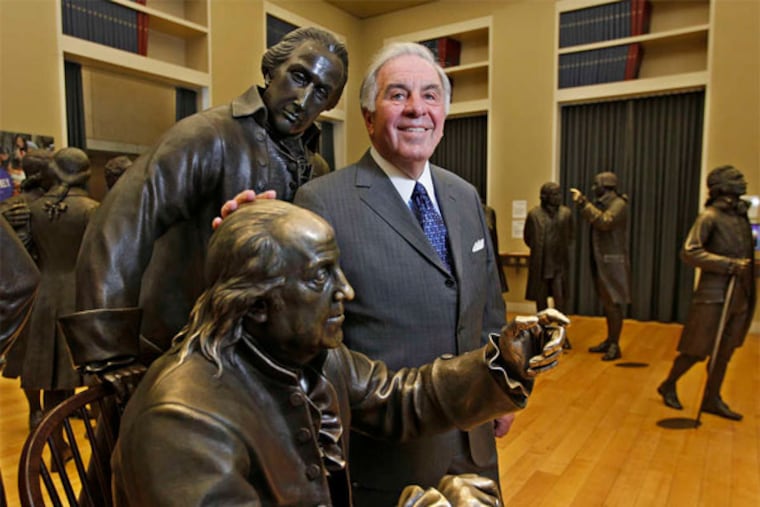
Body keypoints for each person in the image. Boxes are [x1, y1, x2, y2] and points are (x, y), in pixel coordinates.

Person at [110, 199, 569, 506]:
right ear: (254, 301)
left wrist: (503, 360)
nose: (346, 291)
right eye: (319, 277)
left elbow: (399, 396)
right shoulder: (183, 422)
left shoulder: (303, 353)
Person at [292, 42, 510, 505]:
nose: (417, 109)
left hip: (475, 446)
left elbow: (488, 305)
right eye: (398, 95)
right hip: (391, 460)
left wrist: (499, 389)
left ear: (445, 114)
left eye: (430, 96)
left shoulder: (464, 195)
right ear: (369, 117)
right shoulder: (322, 203)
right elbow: (312, 341)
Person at [62, 27, 349, 372]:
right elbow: (122, 223)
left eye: (321, 92)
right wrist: (107, 352)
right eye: (299, 77)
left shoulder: (316, 167)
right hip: (179, 352)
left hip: (266, 361)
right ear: (271, 70)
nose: (303, 100)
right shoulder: (206, 136)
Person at [657, 165, 755, 421]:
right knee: (697, 349)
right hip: (714, 294)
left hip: (739, 293)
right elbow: (690, 251)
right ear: (721, 186)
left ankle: (712, 397)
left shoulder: (741, 216)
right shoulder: (710, 217)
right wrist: (729, 265)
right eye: (736, 178)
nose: (742, 181)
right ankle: (669, 383)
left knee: (725, 351)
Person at [0, 148, 56, 430]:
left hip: (30, 297)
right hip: (40, 294)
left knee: (32, 361)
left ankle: (37, 412)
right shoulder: (48, 208)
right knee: (45, 361)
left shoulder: (14, 206)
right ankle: (41, 414)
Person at [570, 171, 630, 361]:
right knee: (607, 304)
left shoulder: (619, 204)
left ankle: (614, 345)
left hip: (612, 262)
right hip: (602, 261)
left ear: (606, 186)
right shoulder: (604, 203)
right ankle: (610, 340)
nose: (594, 188)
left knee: (613, 304)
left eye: (596, 185)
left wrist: (583, 203)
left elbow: (605, 222)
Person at [524, 182, 574, 317]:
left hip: (559, 266)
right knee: (541, 302)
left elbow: (570, 236)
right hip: (541, 266)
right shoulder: (534, 215)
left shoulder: (566, 214)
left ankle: (560, 332)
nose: (558, 197)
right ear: (545, 196)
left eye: (559, 193)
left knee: (561, 300)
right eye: (554, 194)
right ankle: (543, 333)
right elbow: (528, 238)